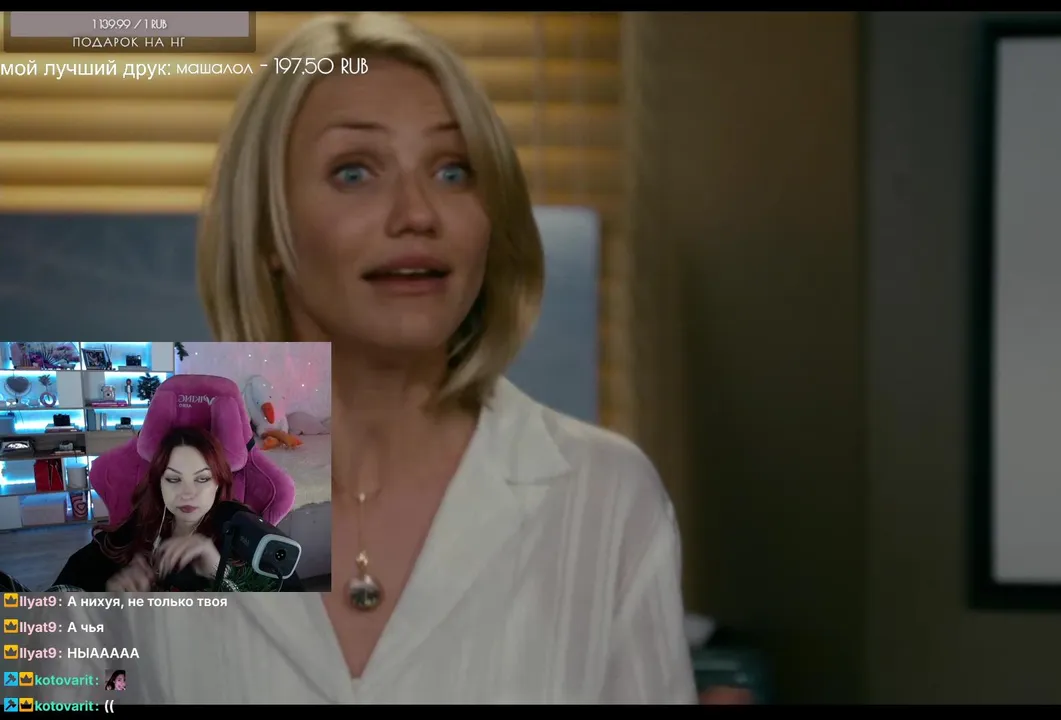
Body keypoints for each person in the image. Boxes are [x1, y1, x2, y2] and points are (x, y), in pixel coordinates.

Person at [121, 11, 695, 703]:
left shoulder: (606, 498)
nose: (418, 212)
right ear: (269, 229)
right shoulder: (131, 515)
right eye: (354, 171)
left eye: (453, 170)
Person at [50, 427, 302, 592]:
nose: (187, 493)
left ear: (219, 483)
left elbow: (293, 620)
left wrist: (222, 574)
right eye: (173, 479)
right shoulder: (145, 521)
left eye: (202, 479)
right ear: (158, 483)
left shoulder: (242, 527)